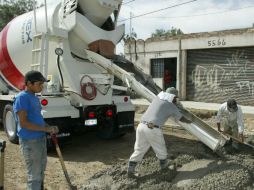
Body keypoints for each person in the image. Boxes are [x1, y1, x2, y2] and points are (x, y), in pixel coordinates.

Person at [127, 87, 191, 177]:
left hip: (141, 126)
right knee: (161, 149)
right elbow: (181, 118)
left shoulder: (157, 99)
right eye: (175, 98)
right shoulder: (170, 105)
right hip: (152, 129)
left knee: (139, 149)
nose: (175, 100)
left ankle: (130, 170)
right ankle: (164, 168)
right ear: (172, 97)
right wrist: (190, 121)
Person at [13, 71, 59, 190]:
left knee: (40, 170)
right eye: (39, 83)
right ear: (29, 83)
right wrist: (45, 129)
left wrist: (49, 127)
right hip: (30, 141)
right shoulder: (22, 98)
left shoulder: (33, 97)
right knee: (34, 175)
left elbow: (37, 119)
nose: (41, 86)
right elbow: (23, 123)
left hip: (39, 139)